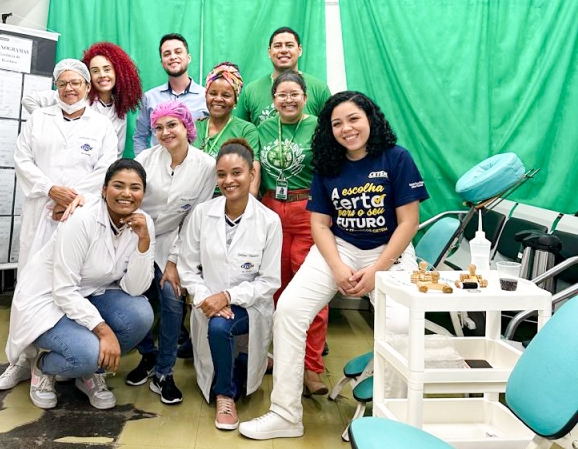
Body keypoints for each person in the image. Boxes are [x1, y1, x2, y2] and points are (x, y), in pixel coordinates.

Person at [239, 91, 430, 439]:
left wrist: (378, 270)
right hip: (339, 249)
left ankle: (392, 418)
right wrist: (338, 267)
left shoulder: (397, 158)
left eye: (353, 119)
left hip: (390, 253)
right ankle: (285, 413)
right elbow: (320, 224)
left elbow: (409, 222)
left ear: (370, 118)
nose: (346, 128)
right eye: (337, 123)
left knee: (402, 324)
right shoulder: (329, 165)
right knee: (290, 310)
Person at [0, 58, 118, 391]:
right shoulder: (38, 120)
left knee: (74, 285)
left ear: (87, 87)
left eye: (75, 82)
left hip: (80, 217)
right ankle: (21, 359)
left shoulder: (102, 125)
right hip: (41, 213)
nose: (69, 88)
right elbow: (23, 161)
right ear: (56, 87)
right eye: (62, 83)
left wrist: (72, 201)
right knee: (30, 286)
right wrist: (51, 191)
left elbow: (106, 171)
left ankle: (77, 362)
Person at [5, 159, 156, 410]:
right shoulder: (81, 219)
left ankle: (89, 373)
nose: (127, 194)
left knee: (140, 314)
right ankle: (44, 368)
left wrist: (143, 242)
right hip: (48, 299)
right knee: (86, 353)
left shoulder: (143, 222)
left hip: (90, 294)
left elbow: (135, 289)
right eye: (118, 186)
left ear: (143, 193)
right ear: (103, 189)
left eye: (135, 188)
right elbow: (63, 290)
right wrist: (104, 331)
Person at [178, 139, 281, 430]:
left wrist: (228, 296)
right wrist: (206, 297)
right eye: (222, 174)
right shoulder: (202, 214)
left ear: (252, 174)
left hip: (251, 304)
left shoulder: (269, 220)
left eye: (237, 173)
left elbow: (269, 281)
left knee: (221, 327)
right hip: (208, 300)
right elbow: (187, 267)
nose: (228, 180)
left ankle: (225, 394)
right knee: (218, 323)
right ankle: (229, 380)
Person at [127, 101, 216, 404]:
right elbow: (129, 202)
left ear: (187, 126)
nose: (165, 132)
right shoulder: (145, 159)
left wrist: (174, 261)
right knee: (132, 296)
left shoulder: (206, 166)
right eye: (159, 127)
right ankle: (147, 356)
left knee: (171, 299)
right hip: (135, 236)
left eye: (172, 125)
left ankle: (165, 371)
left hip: (175, 240)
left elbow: (194, 218)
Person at [256, 70, 329, 396]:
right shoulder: (264, 129)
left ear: (305, 96)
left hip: (308, 213)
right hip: (271, 212)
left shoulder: (320, 127)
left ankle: (312, 368)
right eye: (282, 95)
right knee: (274, 291)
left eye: (294, 94)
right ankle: (279, 361)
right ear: (274, 100)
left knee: (311, 293)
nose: (288, 100)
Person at [21, 42, 143, 157]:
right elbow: (29, 100)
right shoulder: (75, 97)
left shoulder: (120, 111)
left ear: (118, 72)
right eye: (95, 71)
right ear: (88, 76)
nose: (102, 75)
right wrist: (50, 123)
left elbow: (117, 153)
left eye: (107, 69)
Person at [234, 27, 330, 126]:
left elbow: (329, 130)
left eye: (289, 45)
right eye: (278, 46)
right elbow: (241, 133)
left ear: (300, 50)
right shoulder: (251, 91)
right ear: (269, 52)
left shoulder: (319, 89)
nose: (284, 50)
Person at [192, 62, 261, 196]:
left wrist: (247, 206)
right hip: (194, 199)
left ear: (235, 100)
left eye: (226, 95)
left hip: (231, 198)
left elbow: (254, 172)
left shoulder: (246, 130)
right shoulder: (193, 127)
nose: (218, 99)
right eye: (212, 93)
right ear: (206, 96)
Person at [133, 33, 208, 154]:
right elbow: (140, 137)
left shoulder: (206, 97)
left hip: (195, 168)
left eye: (178, 52)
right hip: (158, 170)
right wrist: (144, 166)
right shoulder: (149, 98)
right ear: (162, 62)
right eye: (167, 54)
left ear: (188, 57)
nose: (173, 57)